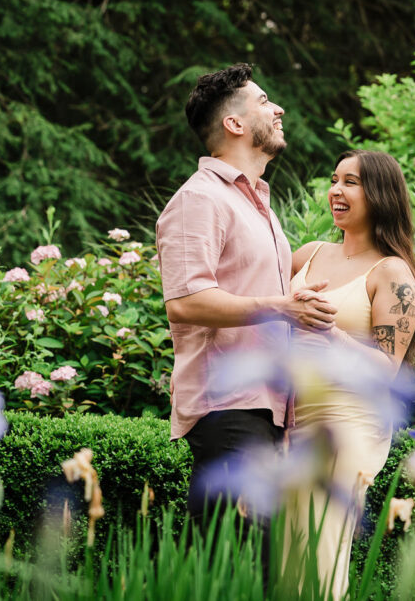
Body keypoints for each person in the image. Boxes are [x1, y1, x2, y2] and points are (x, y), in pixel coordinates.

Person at [155, 63, 337, 532]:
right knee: (231, 564)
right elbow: (185, 302)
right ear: (234, 124)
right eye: (263, 101)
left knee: (253, 569)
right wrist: (281, 307)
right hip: (227, 405)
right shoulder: (200, 200)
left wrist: (292, 297)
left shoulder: (257, 204)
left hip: (266, 405)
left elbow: (246, 293)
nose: (277, 109)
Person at [285, 149, 415, 599]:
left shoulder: (393, 274)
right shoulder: (307, 255)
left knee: (321, 556)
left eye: (351, 182)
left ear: (380, 195)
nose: (336, 191)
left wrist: (330, 334)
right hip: (288, 418)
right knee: (286, 563)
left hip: (346, 425)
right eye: (334, 179)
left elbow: (387, 371)